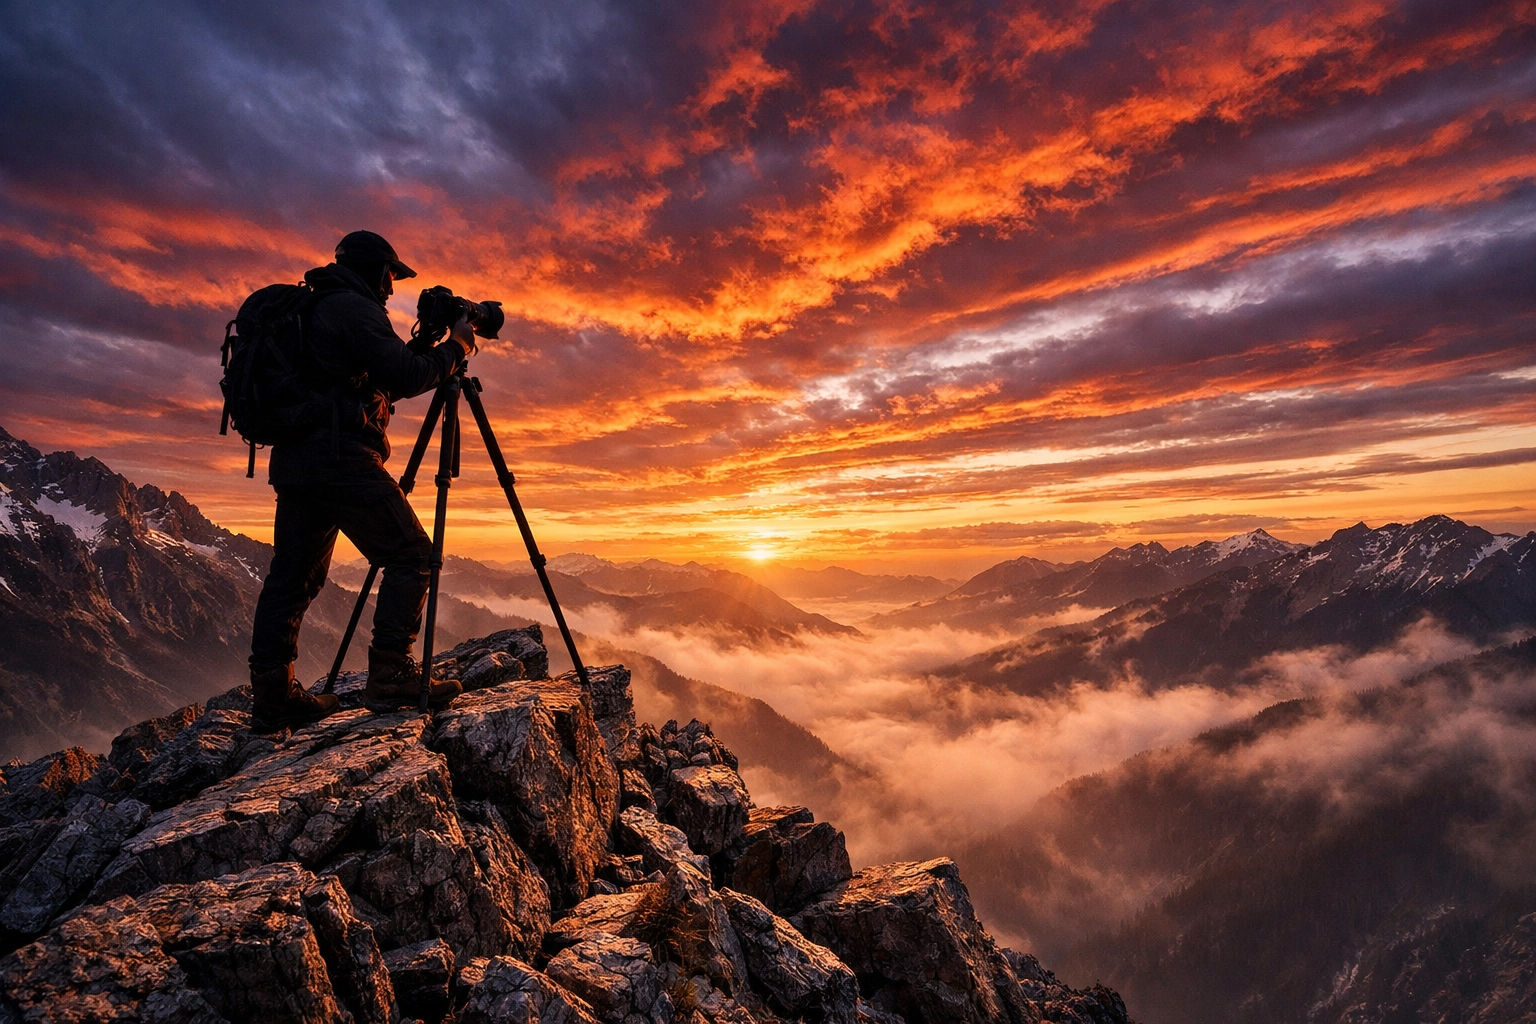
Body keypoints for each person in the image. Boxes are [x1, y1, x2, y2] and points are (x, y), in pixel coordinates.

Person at [247, 230, 473, 731]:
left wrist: (423, 347)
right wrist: (457, 347)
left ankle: (273, 695)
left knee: (293, 577)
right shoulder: (354, 308)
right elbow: (408, 376)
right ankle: (391, 673)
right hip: (341, 459)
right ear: (375, 269)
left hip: (298, 461)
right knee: (411, 554)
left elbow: (381, 377)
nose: (392, 289)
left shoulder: (316, 306)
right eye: (391, 276)